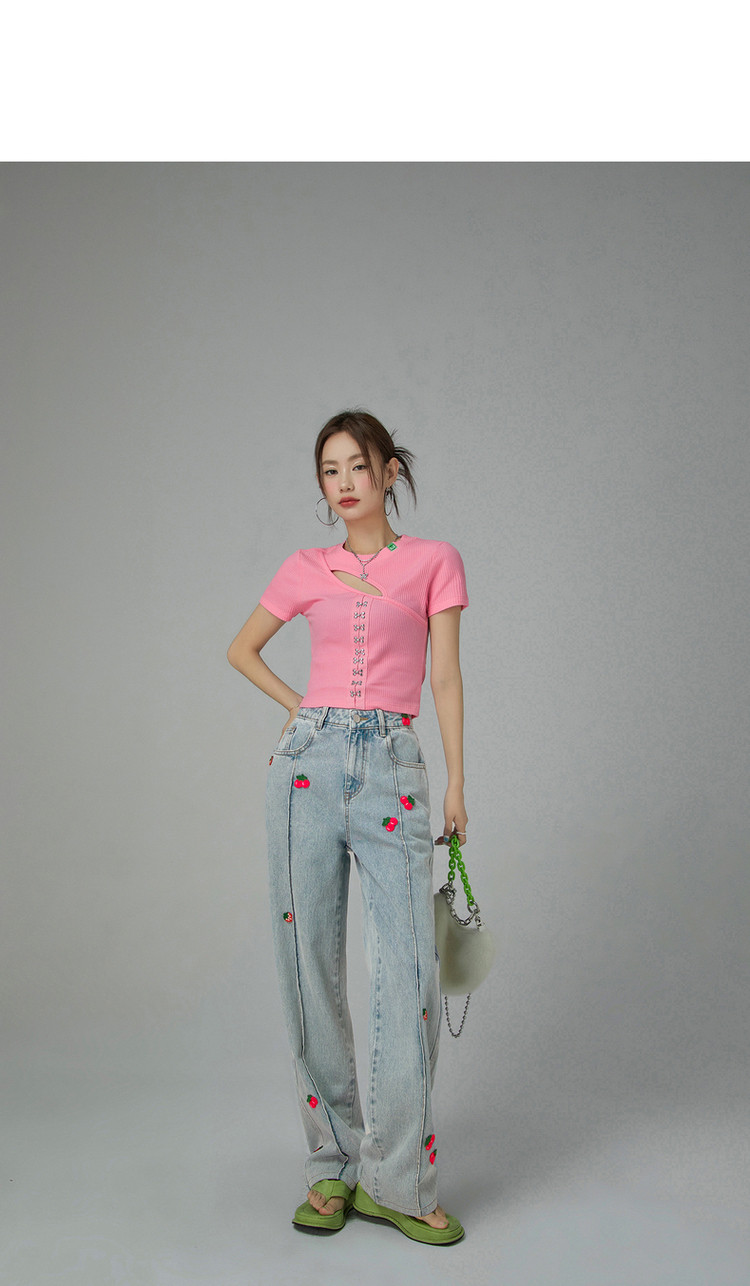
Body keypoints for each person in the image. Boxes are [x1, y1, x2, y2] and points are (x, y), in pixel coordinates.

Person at [227, 409, 469, 1246]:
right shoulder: (306, 567)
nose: (343, 483)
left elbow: (445, 678)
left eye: (357, 466)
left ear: (390, 471)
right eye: (329, 471)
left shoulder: (435, 561)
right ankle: (331, 1164)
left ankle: (396, 1180)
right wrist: (306, 711)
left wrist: (458, 781)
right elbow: (242, 649)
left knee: (407, 973)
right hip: (306, 767)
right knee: (308, 964)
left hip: (394, 765)